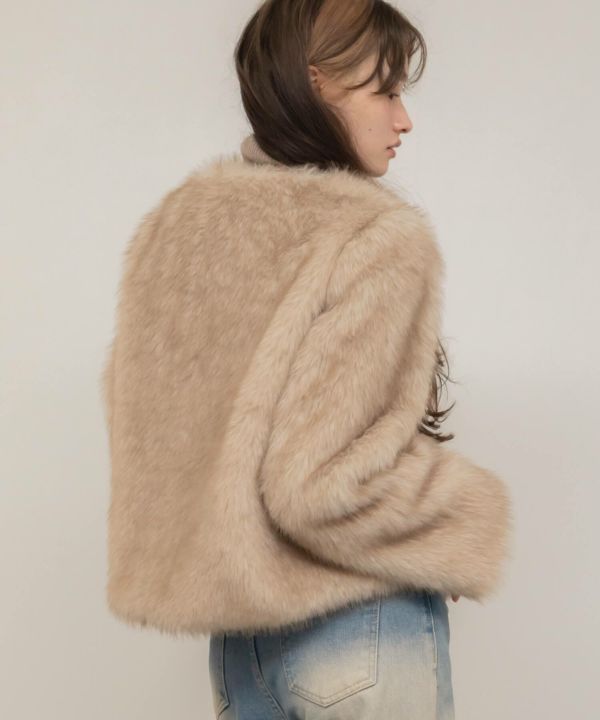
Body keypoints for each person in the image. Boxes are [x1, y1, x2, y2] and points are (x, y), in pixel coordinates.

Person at [101, 1, 513, 718]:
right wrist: (457, 523)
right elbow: (320, 485)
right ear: (318, 83)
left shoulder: (177, 228)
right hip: (359, 628)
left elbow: (142, 425)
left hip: (242, 650)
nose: (404, 120)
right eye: (385, 91)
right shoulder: (374, 236)